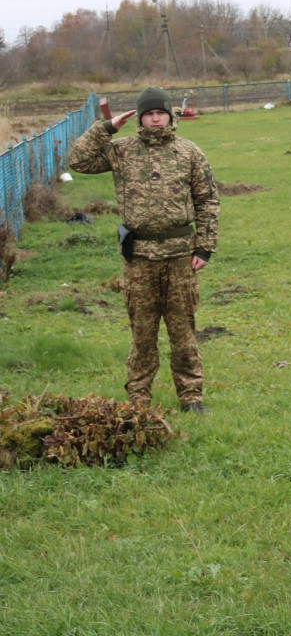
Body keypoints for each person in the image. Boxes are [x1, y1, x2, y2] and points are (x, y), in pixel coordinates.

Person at [69, 88, 220, 413]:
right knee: (142, 333)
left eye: (160, 112)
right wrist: (106, 127)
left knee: (183, 331)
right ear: (139, 117)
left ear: (170, 115)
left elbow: (207, 201)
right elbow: (78, 160)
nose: (155, 118)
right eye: (148, 113)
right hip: (138, 258)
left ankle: (191, 397)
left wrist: (204, 247)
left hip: (181, 256)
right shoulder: (121, 151)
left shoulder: (189, 152)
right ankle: (139, 400)